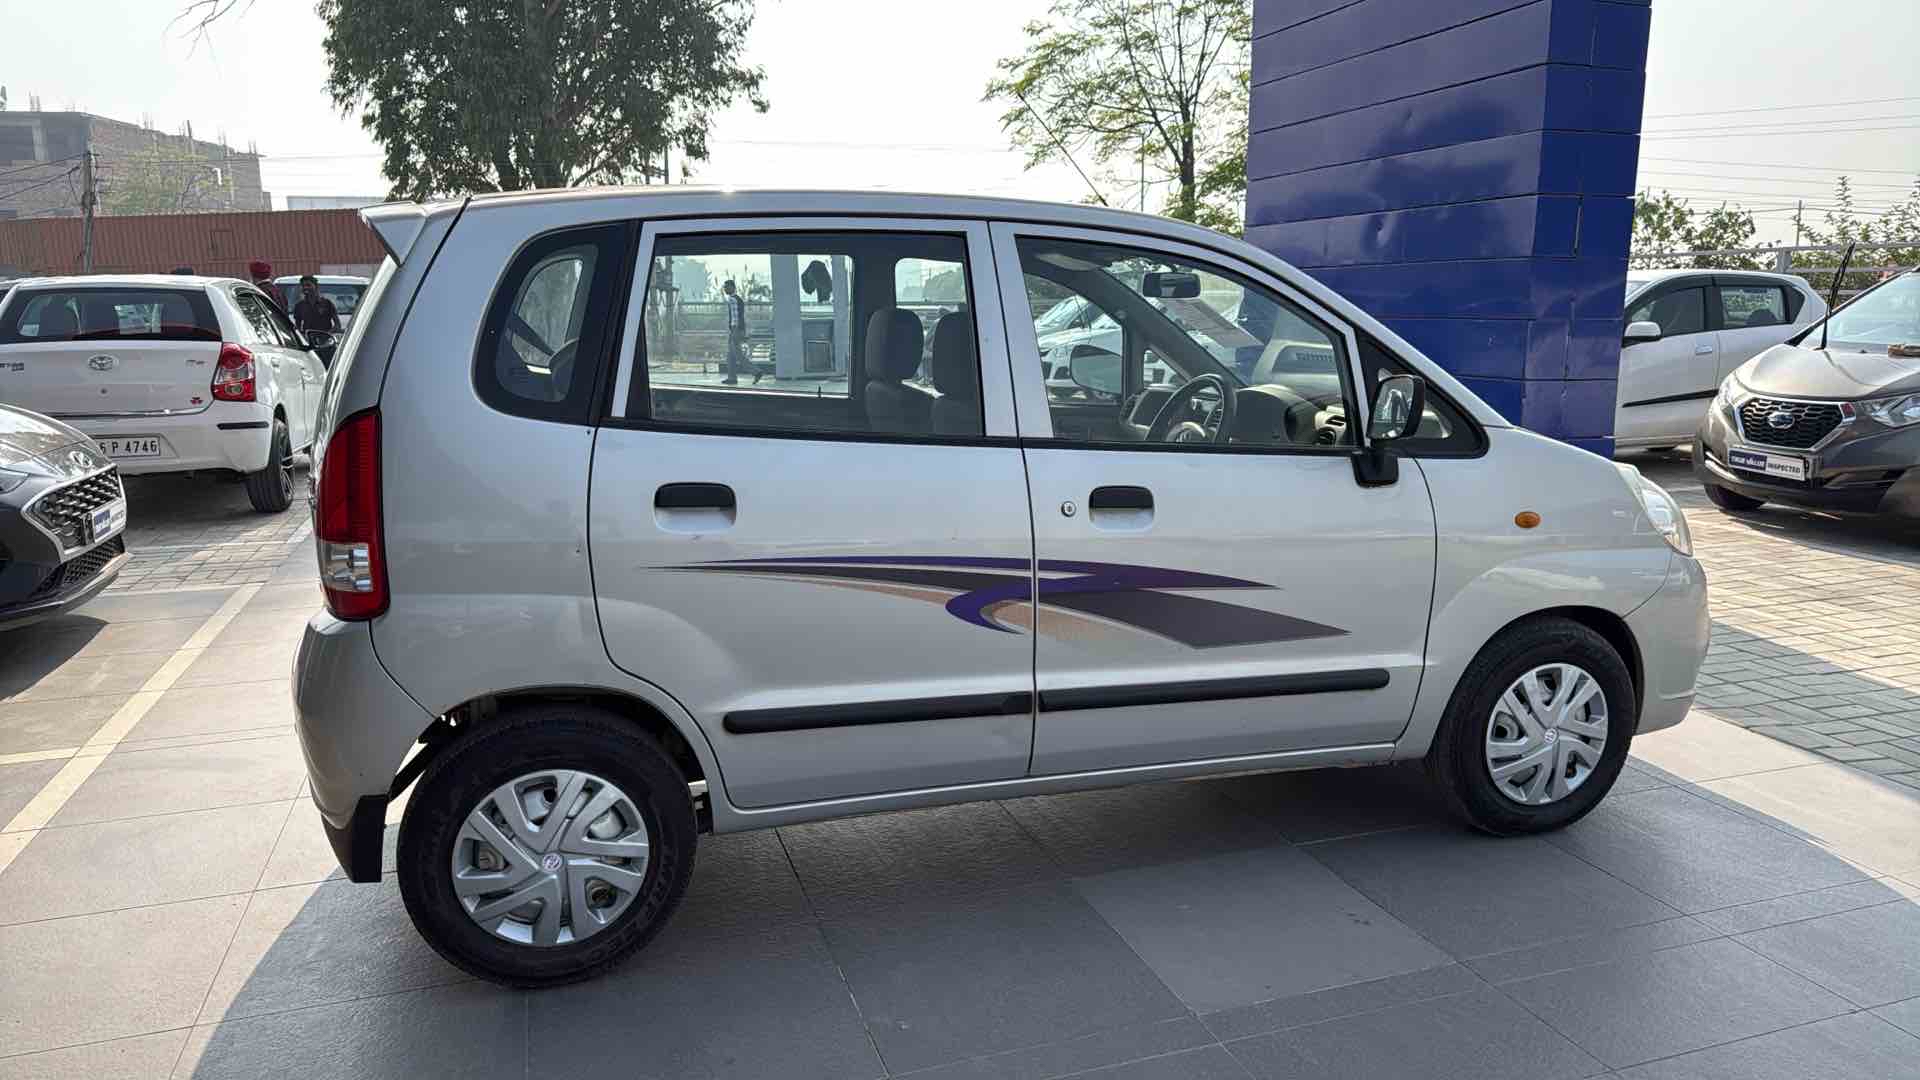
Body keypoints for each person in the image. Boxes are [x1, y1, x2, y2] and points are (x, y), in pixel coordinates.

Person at [721, 279, 749, 385]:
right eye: (724, 287)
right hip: (736, 329)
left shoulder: (732, 299)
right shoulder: (738, 299)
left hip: (735, 329)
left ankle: (756, 372)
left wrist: (734, 330)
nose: (725, 289)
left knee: (738, 355)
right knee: (731, 356)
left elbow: (735, 317)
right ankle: (732, 378)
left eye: (726, 287)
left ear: (732, 287)